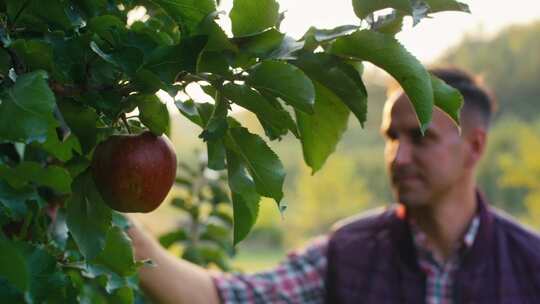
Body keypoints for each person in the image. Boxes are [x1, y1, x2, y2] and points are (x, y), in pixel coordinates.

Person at [128, 67, 540, 304]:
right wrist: (128, 238)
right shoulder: (350, 252)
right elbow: (230, 298)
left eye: (421, 138)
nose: (399, 157)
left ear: (475, 147)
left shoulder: (530, 264)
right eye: (391, 138)